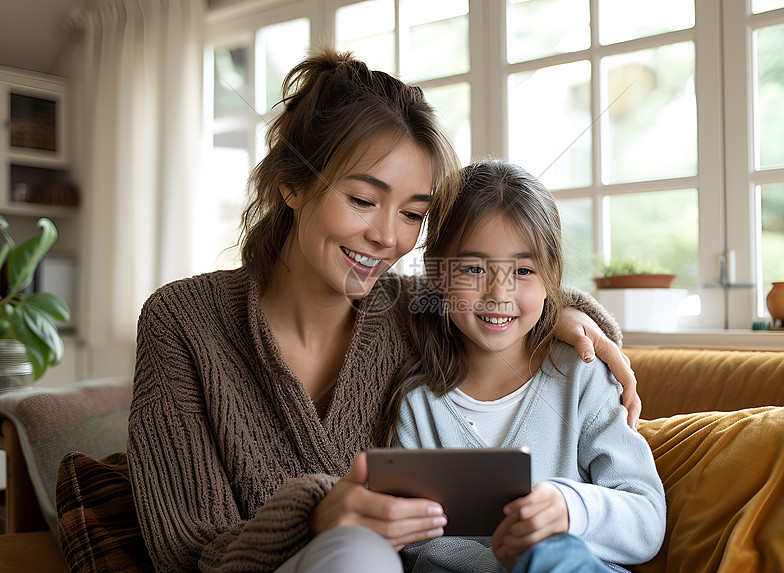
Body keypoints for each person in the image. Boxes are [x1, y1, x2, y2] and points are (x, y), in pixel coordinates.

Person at [127, 47, 640, 573]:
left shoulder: (407, 311)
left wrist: (565, 315)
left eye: (413, 213)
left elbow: (490, 297)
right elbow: (183, 551)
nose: (388, 237)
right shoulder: (183, 321)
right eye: (363, 200)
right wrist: (315, 516)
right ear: (292, 184)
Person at [381, 160, 666, 573]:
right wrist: (504, 561)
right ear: (436, 274)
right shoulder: (417, 408)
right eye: (475, 268)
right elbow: (418, 542)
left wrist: (569, 510)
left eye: (523, 270)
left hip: (568, 566)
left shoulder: (581, 377)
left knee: (554, 555)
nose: (500, 292)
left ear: (552, 280)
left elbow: (646, 520)